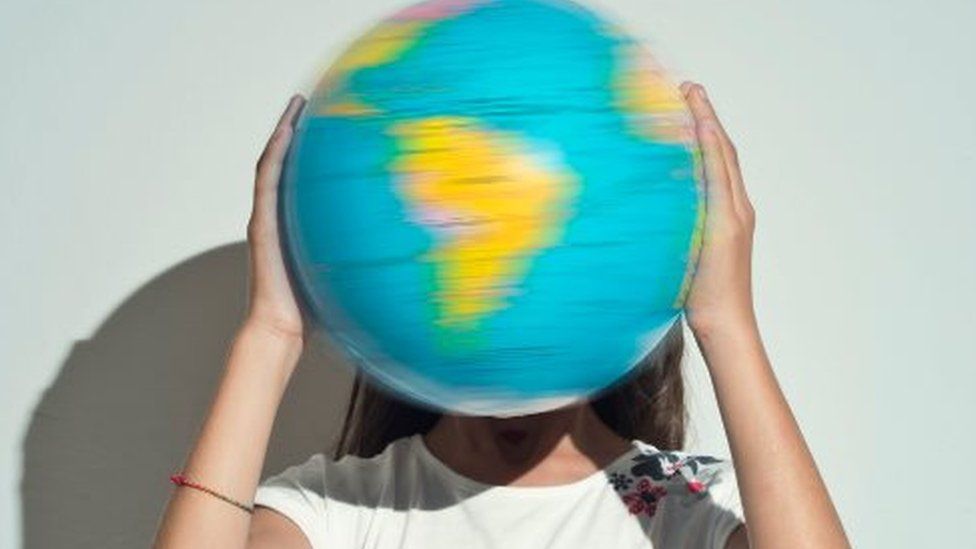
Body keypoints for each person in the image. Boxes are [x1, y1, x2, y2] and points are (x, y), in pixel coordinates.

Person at [153, 82, 850, 548]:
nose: (508, 290)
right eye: (462, 238)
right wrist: (271, 333)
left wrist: (726, 322)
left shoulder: (692, 508)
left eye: (543, 242)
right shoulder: (335, 512)